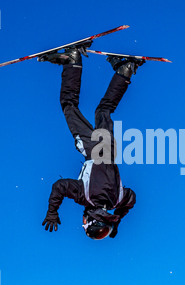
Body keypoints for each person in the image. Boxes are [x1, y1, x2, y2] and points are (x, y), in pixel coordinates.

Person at [38, 43, 143, 240]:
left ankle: (125, 70)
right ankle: (72, 60)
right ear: (91, 219)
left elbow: (132, 198)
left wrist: (118, 218)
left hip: (110, 149)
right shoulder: (84, 196)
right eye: (85, 224)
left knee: (103, 110)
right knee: (69, 106)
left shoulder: (117, 200)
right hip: (93, 149)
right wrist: (52, 211)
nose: (82, 221)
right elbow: (59, 186)